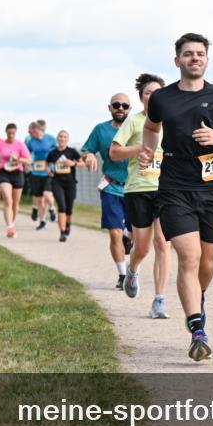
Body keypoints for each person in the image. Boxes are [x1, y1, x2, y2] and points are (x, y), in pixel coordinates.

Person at [140, 33, 213, 362]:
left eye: (200, 53)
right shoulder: (162, 99)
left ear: (206, 60)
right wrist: (147, 148)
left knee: (207, 263)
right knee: (190, 257)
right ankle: (197, 329)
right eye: (188, 54)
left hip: (211, 189)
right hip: (173, 187)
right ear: (177, 61)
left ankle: (199, 299)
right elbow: (152, 128)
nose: (194, 58)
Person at [111, 73, 171, 319]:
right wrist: (139, 149)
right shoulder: (134, 122)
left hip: (167, 189)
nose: (153, 97)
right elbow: (114, 152)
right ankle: (133, 269)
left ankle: (159, 300)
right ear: (141, 98)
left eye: (158, 93)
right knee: (143, 247)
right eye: (148, 93)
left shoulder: (171, 121)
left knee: (162, 244)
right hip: (138, 189)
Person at [82, 94, 135, 289]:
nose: (120, 108)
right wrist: (88, 156)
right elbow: (87, 149)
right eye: (116, 105)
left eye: (125, 105)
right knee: (114, 233)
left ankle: (129, 239)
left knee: (135, 234)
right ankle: (122, 275)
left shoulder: (138, 127)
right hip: (111, 187)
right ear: (110, 107)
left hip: (135, 188)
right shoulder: (101, 130)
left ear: (130, 109)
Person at [0, 123, 32, 237]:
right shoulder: (0, 144)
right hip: (4, 173)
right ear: (6, 132)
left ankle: (12, 224)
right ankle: (9, 227)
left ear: (15, 132)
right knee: (8, 200)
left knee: (15, 203)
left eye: (13, 133)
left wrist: (17, 158)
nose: (11, 135)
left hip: (17, 173)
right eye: (9, 133)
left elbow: (28, 161)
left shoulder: (20, 145)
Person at [46, 130, 83, 242]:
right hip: (57, 182)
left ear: (67, 139)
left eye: (64, 137)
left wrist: (73, 163)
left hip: (70, 182)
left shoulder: (72, 151)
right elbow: (47, 163)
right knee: (61, 206)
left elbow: (82, 163)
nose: (62, 139)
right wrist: (49, 171)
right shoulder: (52, 153)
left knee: (69, 208)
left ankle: (68, 224)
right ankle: (62, 232)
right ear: (57, 139)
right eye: (60, 136)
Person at [26, 121, 58, 229]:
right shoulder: (31, 141)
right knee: (39, 199)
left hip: (49, 171)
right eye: (32, 132)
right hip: (36, 172)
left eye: (34, 131)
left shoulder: (50, 138)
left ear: (39, 130)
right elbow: (27, 154)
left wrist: (53, 162)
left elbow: (58, 151)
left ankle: (52, 210)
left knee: (47, 194)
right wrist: (27, 164)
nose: (33, 134)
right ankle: (42, 221)